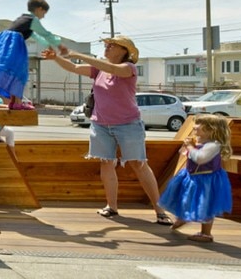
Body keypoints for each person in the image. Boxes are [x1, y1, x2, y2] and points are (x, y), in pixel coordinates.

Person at [43, 36, 172, 225]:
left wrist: (78, 54)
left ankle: (159, 211)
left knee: (139, 164)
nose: (107, 48)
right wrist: (56, 58)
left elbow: (112, 69)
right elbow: (74, 68)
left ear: (124, 51)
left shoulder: (129, 68)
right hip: (100, 125)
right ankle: (111, 207)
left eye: (111, 45)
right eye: (106, 45)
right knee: (106, 163)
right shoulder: (98, 70)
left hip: (128, 124)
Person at [0, 0, 65, 110]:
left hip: (4, 44)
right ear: (39, 9)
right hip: (13, 45)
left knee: (14, 71)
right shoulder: (33, 20)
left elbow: (36, 37)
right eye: (44, 13)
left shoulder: (23, 19)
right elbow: (45, 33)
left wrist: (48, 45)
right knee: (19, 72)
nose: (43, 16)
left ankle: (15, 101)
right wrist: (60, 45)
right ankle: (17, 102)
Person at [160, 114, 233, 243]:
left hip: (207, 181)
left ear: (211, 129)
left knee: (206, 205)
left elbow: (200, 158)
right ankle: (183, 216)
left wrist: (190, 147)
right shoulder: (200, 142)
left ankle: (206, 233)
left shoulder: (213, 145)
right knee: (185, 198)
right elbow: (184, 153)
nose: (194, 126)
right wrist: (187, 147)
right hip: (192, 177)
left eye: (198, 124)